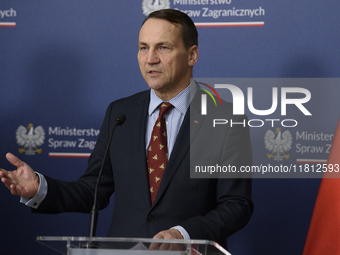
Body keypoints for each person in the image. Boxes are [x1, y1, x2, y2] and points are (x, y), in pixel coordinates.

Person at [0, 9, 253, 249]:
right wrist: (40, 188)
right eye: (144, 48)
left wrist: (183, 234)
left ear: (192, 55)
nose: (150, 58)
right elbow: (93, 191)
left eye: (163, 47)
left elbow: (236, 205)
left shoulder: (226, 118)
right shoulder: (120, 113)